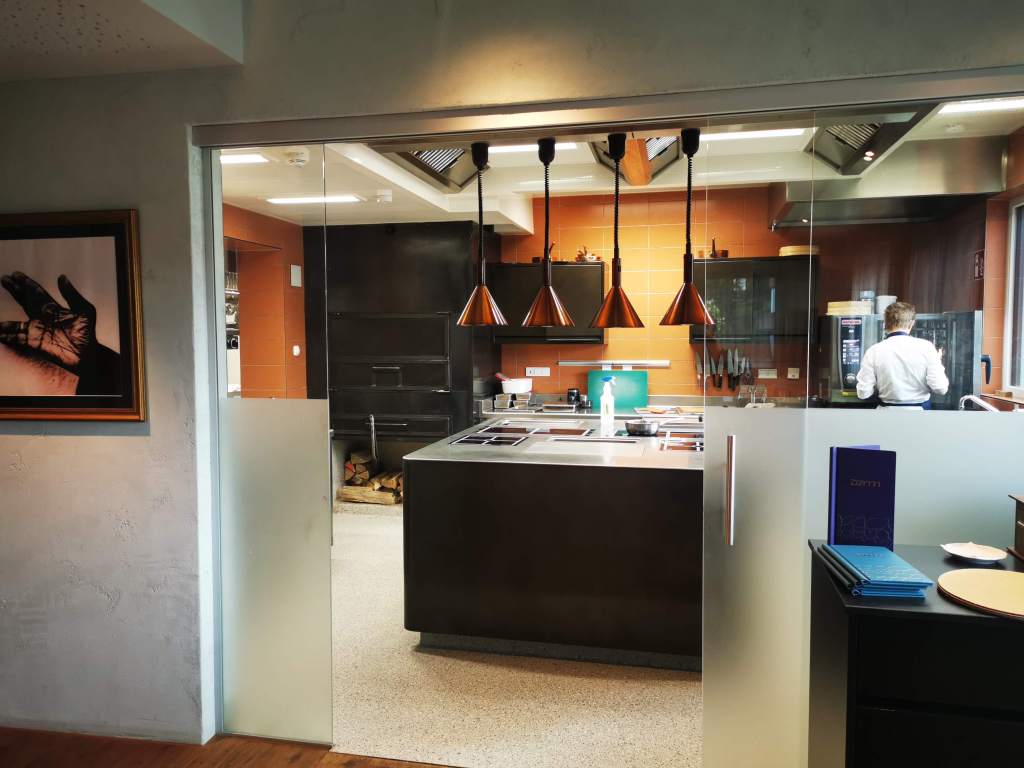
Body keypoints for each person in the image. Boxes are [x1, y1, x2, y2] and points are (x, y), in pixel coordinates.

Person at [856, 301, 948, 409]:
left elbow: (863, 393)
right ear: (911, 323)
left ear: (885, 323)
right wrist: (938, 362)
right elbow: (941, 389)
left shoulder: (873, 351)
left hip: (885, 416)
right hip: (920, 416)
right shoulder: (927, 348)